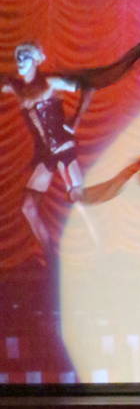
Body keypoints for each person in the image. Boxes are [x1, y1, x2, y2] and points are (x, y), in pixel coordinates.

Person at [0, 41, 93, 253]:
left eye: (24, 57)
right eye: (18, 58)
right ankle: (51, 253)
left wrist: (75, 123)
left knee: (79, 203)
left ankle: (98, 251)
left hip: (63, 149)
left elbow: (87, 87)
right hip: (45, 155)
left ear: (35, 60)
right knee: (28, 207)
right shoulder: (19, 89)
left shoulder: (51, 82)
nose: (20, 62)